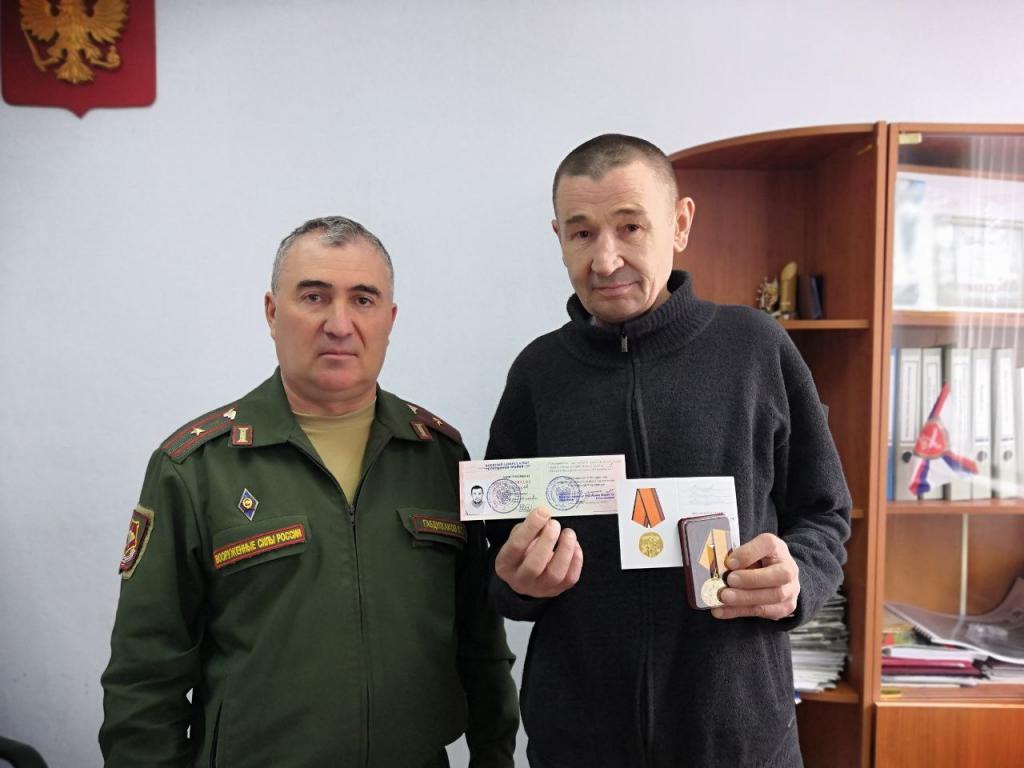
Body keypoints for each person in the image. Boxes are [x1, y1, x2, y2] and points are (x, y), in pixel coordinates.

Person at [485, 135, 851, 767]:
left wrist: (798, 577)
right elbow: (496, 547)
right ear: (559, 237)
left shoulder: (756, 349)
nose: (606, 260)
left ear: (680, 224)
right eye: (582, 233)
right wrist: (518, 584)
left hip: (740, 741)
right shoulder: (537, 374)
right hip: (578, 744)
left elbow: (825, 514)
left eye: (631, 227)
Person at [100, 216, 518, 767]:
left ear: (390, 319)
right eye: (314, 297)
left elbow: (482, 646)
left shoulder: (438, 457)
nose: (339, 324)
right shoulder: (197, 468)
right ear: (273, 313)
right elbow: (144, 677)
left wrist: (495, 757)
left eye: (363, 300)